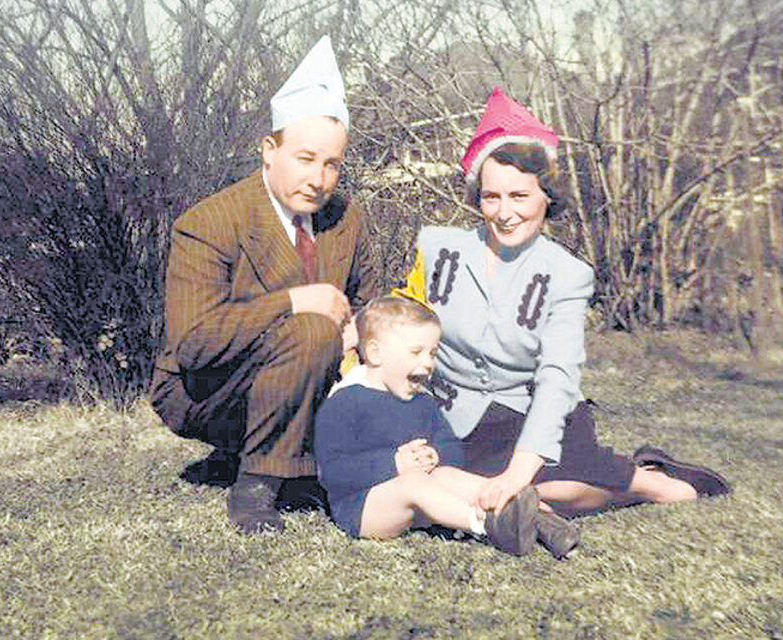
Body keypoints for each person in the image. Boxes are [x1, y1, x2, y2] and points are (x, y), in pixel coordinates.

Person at [396, 87, 731, 537]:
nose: (505, 212)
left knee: (555, 491)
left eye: (520, 196)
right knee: (454, 483)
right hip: (459, 420)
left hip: (535, 412)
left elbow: (557, 378)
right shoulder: (436, 248)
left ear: (547, 197)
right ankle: (574, 486)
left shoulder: (568, 275)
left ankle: (652, 483)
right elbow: (404, 322)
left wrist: (517, 473)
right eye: (490, 197)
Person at [151, 36, 378, 534]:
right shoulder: (210, 221)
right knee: (312, 329)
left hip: (309, 378)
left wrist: (362, 331)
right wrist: (298, 301)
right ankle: (256, 486)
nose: (319, 178)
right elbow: (193, 345)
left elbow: (361, 299)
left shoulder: (346, 219)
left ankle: (306, 463)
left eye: (332, 164)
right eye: (305, 158)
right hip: (204, 389)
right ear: (269, 150)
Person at [314, 296, 541, 556]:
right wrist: (394, 464)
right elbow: (332, 472)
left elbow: (452, 447)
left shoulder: (423, 401)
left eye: (432, 353)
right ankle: (487, 525)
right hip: (363, 507)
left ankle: (514, 508)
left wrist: (436, 455)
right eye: (415, 352)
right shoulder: (345, 401)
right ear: (376, 353)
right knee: (414, 482)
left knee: (445, 475)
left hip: (419, 500)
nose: (428, 362)